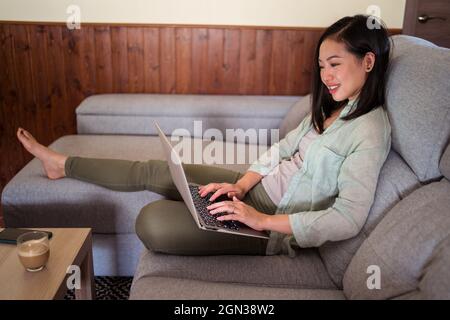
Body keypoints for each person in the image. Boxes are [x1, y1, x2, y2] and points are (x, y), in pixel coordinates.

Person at [16, 14, 392, 256]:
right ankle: (61, 164)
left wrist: (259, 220)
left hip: (271, 221)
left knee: (151, 221)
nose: (326, 76)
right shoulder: (331, 107)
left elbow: (348, 218)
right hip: (253, 194)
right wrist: (241, 186)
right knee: (155, 170)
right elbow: (283, 148)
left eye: (335, 65)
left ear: (368, 61)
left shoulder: (371, 130)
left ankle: (207, 215)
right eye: (322, 66)